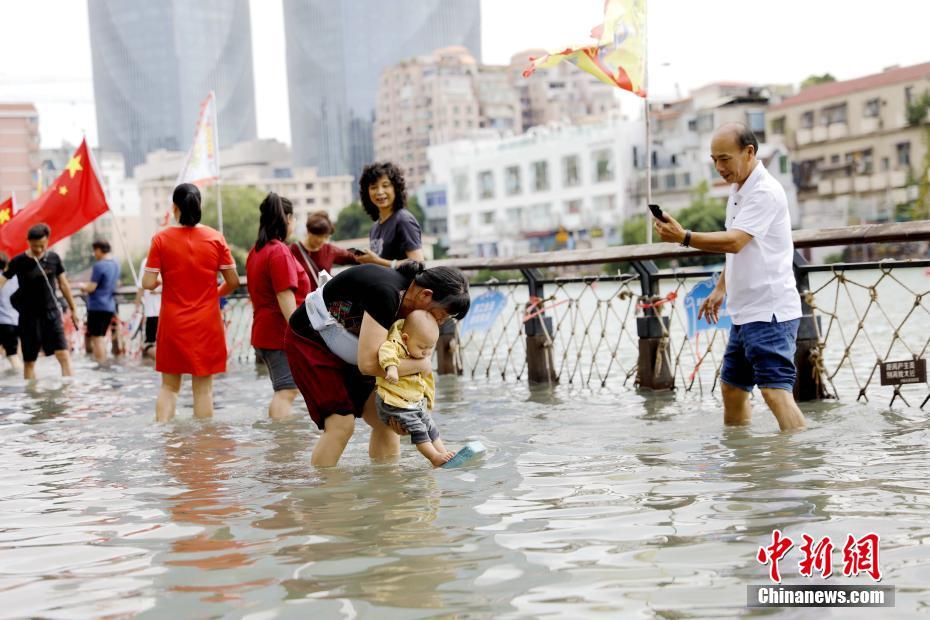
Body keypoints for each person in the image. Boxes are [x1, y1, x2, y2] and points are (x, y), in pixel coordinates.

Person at [654, 122, 806, 431]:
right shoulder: (738, 189)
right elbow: (740, 247)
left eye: (725, 158)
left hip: (770, 311)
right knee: (733, 389)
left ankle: (799, 467)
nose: (719, 167)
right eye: (714, 160)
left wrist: (683, 237)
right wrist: (721, 288)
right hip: (744, 312)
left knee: (775, 392)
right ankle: (743, 466)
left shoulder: (764, 191)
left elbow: (735, 240)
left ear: (749, 152)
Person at [285, 261, 470, 467]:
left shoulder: (410, 302)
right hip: (311, 340)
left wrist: (401, 411)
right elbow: (368, 365)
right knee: (341, 424)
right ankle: (325, 493)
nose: (440, 323)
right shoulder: (386, 293)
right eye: (442, 315)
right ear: (425, 295)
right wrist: (422, 365)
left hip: (352, 345)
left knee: (387, 421)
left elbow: (379, 356)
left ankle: (388, 490)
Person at [142, 183, 239, 422]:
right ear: (199, 206)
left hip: (173, 322)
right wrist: (213, 294)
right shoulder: (216, 238)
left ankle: (164, 438)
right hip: (207, 322)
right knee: (204, 390)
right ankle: (203, 445)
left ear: (174, 208)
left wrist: (160, 285)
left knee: (169, 388)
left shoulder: (160, 239)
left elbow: (147, 282)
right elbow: (233, 281)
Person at [246, 193, 310, 420]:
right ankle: (282, 445)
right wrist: (298, 334)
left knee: (285, 390)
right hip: (278, 333)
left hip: (264, 331)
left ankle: (281, 441)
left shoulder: (256, 250)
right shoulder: (279, 251)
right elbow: (285, 296)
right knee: (287, 390)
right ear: (288, 219)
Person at [0, 224, 80, 379]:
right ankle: (32, 397)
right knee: (29, 361)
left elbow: (63, 284)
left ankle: (69, 394)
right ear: (28, 242)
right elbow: (2, 281)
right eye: (35, 246)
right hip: (29, 317)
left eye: (42, 245)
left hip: (52, 314)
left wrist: (74, 309)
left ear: (47, 241)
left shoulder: (53, 258)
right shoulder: (19, 261)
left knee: (63, 354)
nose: (39, 249)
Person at [376, 310, 455, 467]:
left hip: (412, 403)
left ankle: (443, 453)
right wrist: (392, 368)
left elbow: (427, 382)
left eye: (430, 348)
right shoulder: (396, 345)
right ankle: (434, 458)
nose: (425, 352)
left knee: (429, 424)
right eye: (421, 347)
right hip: (393, 403)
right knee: (419, 429)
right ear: (406, 339)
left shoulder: (419, 354)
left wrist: (429, 403)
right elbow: (385, 351)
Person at [359, 162, 425, 269]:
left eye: (385, 186)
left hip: (402, 286)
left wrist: (377, 261)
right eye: (373, 187)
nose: (380, 192)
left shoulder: (404, 220)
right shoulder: (375, 227)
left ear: (396, 188)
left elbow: (418, 263)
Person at [290, 210, 375, 291]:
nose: (322, 240)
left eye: (326, 237)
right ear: (309, 232)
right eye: (318, 236)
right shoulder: (292, 250)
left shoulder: (329, 250)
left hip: (321, 301)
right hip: (301, 302)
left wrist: (375, 259)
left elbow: (354, 257)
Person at [79, 239, 120, 362]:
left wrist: (83, 286)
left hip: (97, 306)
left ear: (98, 250)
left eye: (94, 251)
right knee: (101, 336)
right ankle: (103, 362)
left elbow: (92, 287)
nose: (94, 254)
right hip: (109, 305)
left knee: (97, 338)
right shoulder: (115, 263)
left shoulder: (99, 265)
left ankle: (101, 364)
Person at [133, 255, 161, 360]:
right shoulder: (174, 258)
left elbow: (141, 285)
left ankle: (163, 363)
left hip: (153, 311)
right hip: (168, 311)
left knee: (149, 344)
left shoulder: (148, 261)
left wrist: (137, 304)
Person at [0, 253, 22, 371]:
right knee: (13, 354)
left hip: (2, 321)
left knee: (11, 355)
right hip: (14, 321)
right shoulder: (16, 278)